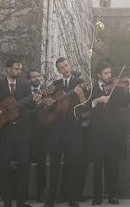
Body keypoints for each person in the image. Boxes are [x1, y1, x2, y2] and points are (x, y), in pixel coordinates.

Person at [0, 58, 38, 207]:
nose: (19, 71)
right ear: (8, 69)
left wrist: (35, 101)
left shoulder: (25, 86)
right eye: (16, 69)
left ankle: (21, 201)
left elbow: (30, 108)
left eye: (20, 69)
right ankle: (7, 200)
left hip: (23, 131)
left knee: (23, 165)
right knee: (5, 166)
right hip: (4, 131)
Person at [82, 60, 130, 205]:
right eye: (106, 73)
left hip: (114, 134)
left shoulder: (116, 88)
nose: (109, 76)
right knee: (98, 165)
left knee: (113, 165)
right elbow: (85, 108)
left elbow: (126, 102)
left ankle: (112, 195)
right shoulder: (92, 89)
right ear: (99, 74)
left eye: (110, 73)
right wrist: (96, 101)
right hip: (98, 134)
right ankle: (98, 196)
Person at [44, 57, 87, 207]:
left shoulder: (80, 82)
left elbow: (85, 106)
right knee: (54, 163)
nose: (65, 69)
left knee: (71, 165)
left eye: (67, 65)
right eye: (62, 67)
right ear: (59, 70)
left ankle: (71, 198)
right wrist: (47, 101)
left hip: (73, 128)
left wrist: (80, 94)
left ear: (70, 65)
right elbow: (45, 100)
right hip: (56, 129)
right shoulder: (56, 85)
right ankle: (50, 198)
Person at [28, 68, 48, 201]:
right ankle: (24, 193)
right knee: (24, 162)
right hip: (27, 132)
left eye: (38, 76)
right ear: (29, 79)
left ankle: (41, 193)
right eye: (33, 77)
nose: (36, 78)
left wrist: (41, 102)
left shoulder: (47, 91)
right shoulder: (24, 91)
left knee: (41, 163)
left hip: (42, 133)